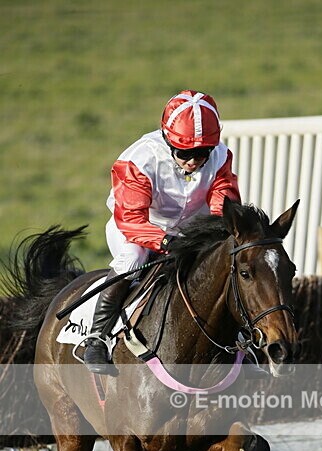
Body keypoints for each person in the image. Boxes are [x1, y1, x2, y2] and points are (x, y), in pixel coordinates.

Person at [84, 90, 241, 374]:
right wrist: (165, 241)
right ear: (168, 141)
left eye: (201, 153)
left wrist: (215, 231)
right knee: (132, 259)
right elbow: (131, 218)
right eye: (185, 153)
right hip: (138, 229)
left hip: (192, 230)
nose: (193, 161)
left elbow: (223, 198)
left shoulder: (220, 156)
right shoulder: (137, 160)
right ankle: (97, 336)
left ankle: (243, 340)